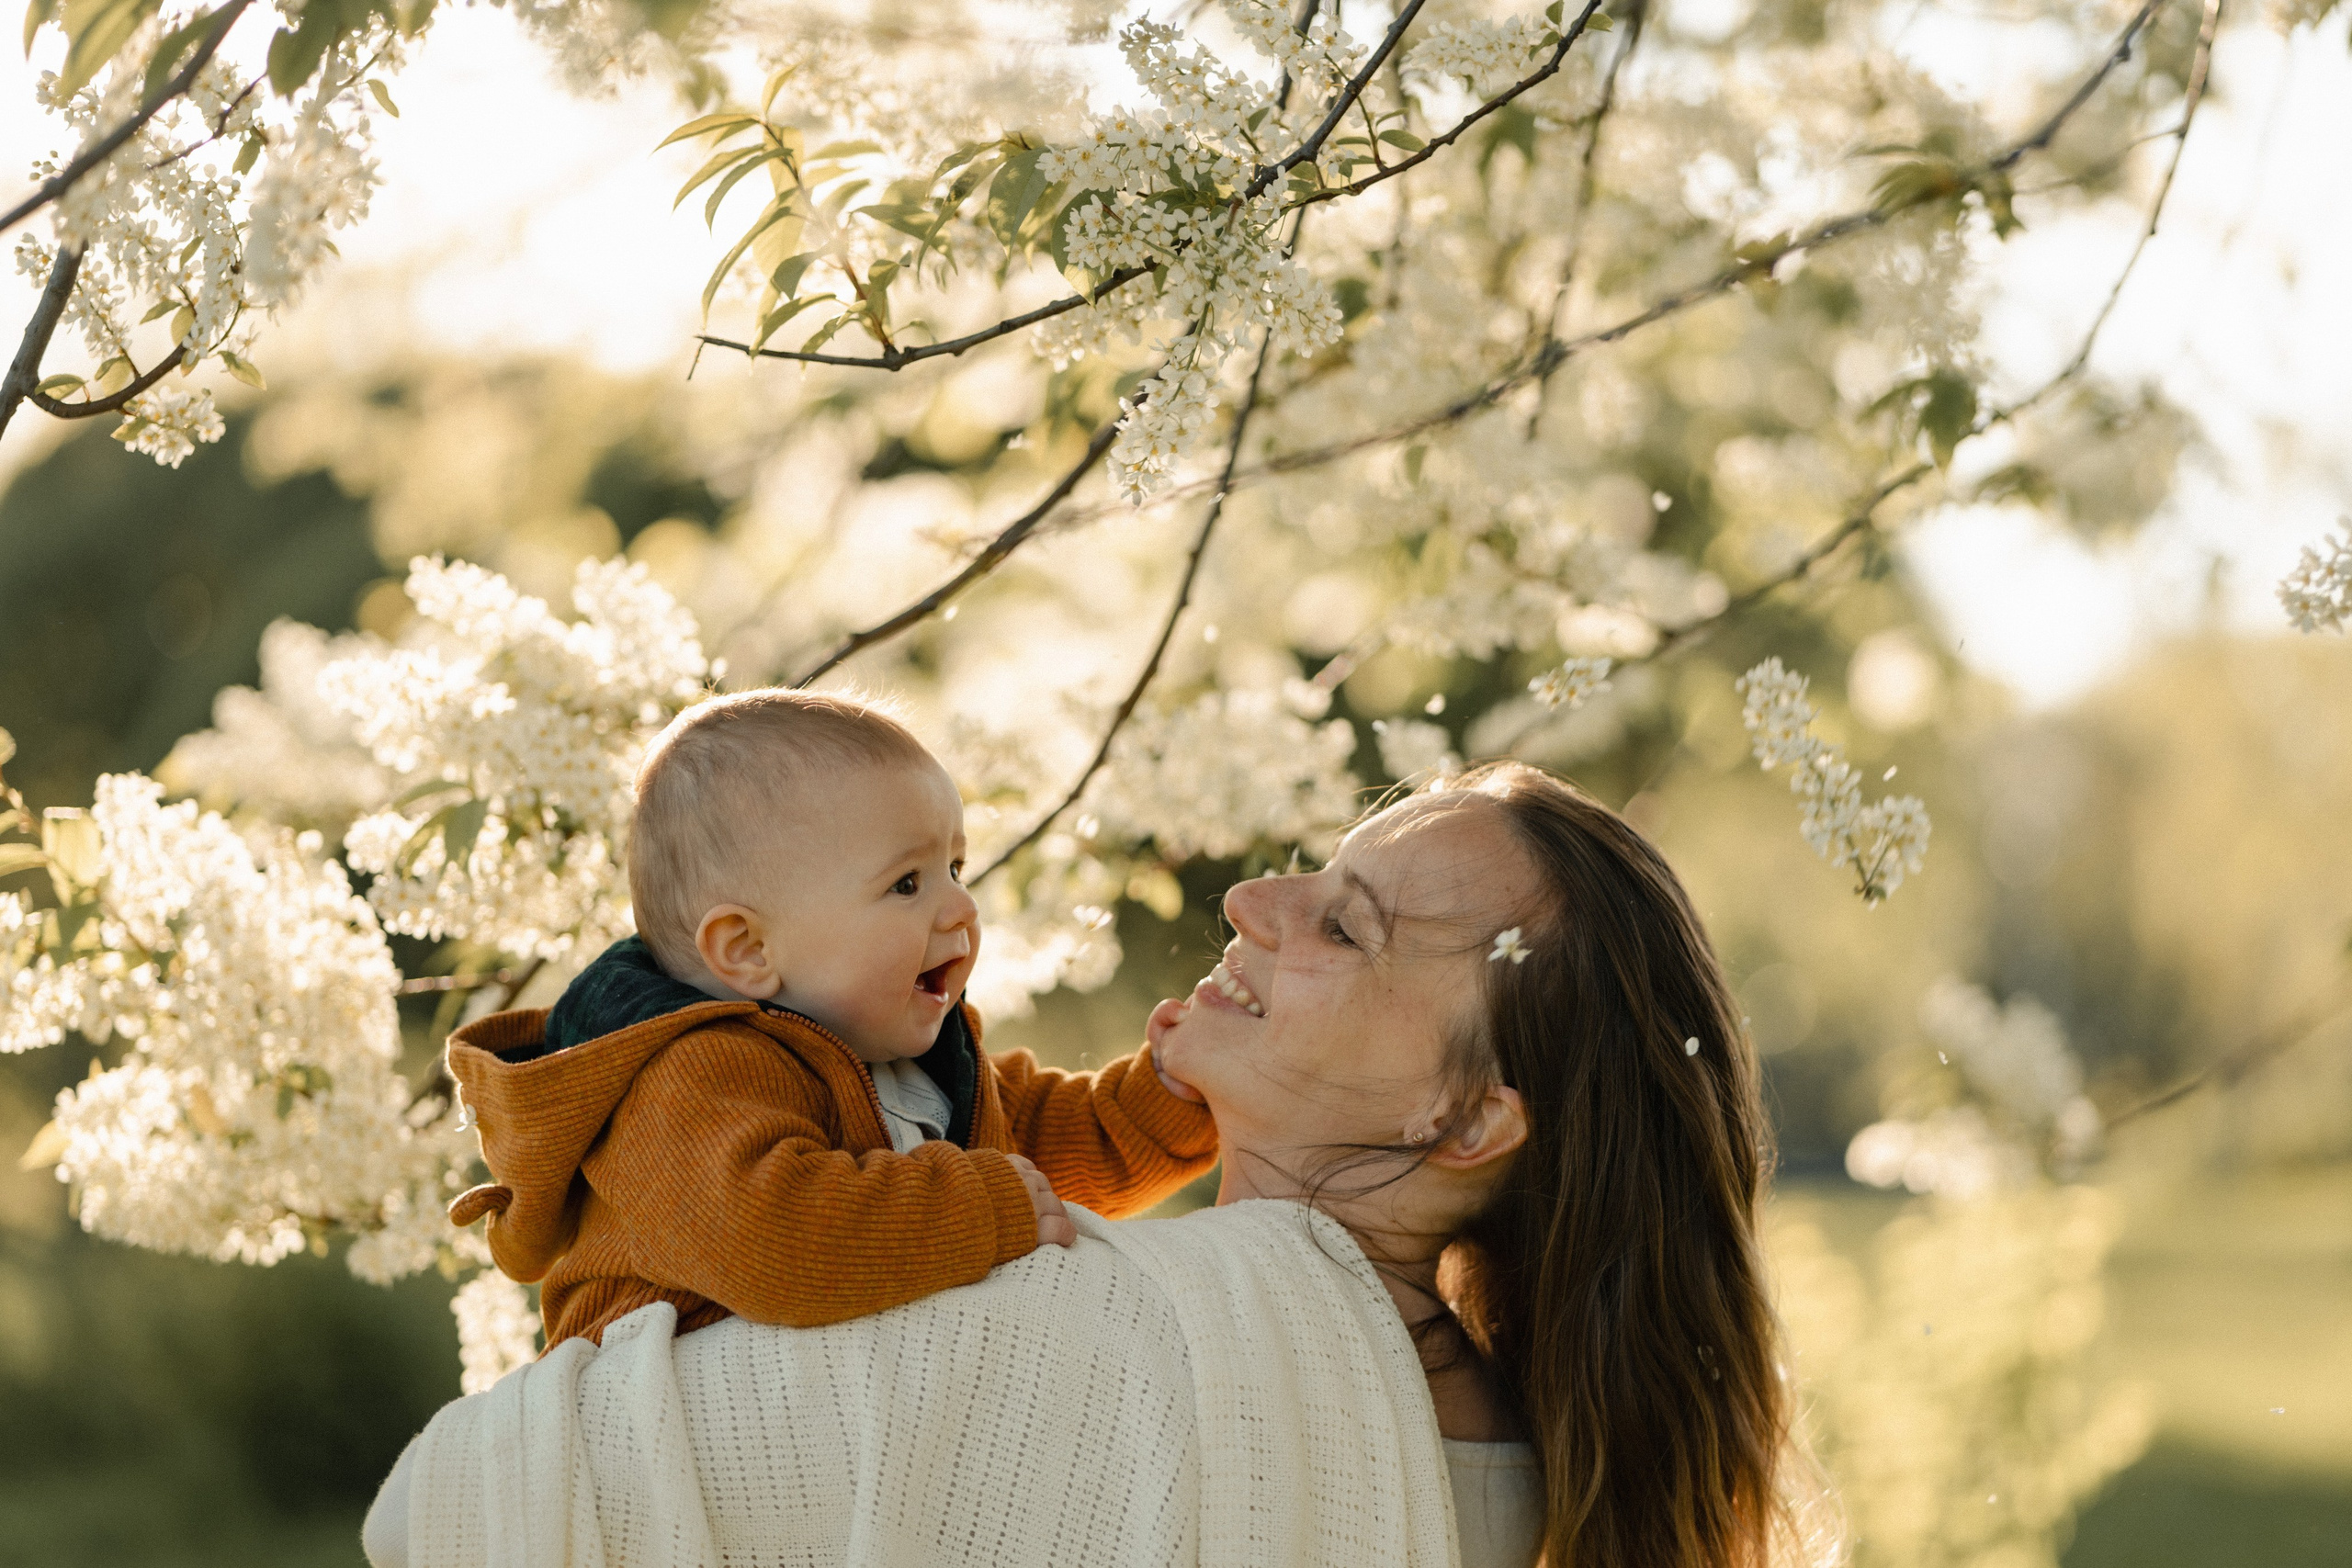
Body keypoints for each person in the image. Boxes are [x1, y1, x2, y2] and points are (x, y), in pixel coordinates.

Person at [371, 760, 1827, 1568]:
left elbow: (444, 1508)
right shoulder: (1539, 1466)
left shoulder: (1055, 1328)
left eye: (1347, 925)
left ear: (1467, 1116)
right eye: (1310, 871)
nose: (1255, 898)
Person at [441, 688, 1217, 1349]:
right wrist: (979, 1210)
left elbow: (1048, 1152)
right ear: (746, 949)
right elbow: (774, 1241)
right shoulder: (685, 1083)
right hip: (674, 1450)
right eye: (907, 883)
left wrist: (1174, 1094)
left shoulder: (918, 1063)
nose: (962, 905)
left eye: (955, 867)